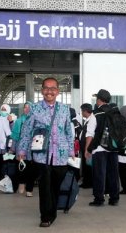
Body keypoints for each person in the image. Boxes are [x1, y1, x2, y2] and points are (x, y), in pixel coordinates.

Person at [17, 77, 74, 228]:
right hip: (41, 155)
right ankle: (45, 216)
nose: (49, 91)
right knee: (45, 187)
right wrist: (22, 149)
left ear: (58, 91)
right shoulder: (34, 109)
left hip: (60, 155)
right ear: (42, 91)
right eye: (46, 88)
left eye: (53, 88)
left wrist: (71, 150)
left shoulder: (64, 109)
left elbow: (69, 130)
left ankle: (52, 211)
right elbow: (26, 131)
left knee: (55, 186)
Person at [85, 89, 120, 206]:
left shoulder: (96, 114)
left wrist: (87, 149)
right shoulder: (115, 112)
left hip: (99, 148)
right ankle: (114, 198)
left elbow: (90, 134)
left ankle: (99, 199)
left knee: (99, 174)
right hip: (113, 148)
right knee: (113, 174)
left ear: (99, 100)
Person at [10, 102, 36, 197]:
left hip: (33, 149)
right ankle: (21, 184)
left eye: (29, 108)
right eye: (25, 107)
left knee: (31, 169)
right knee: (21, 168)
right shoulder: (19, 121)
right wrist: (12, 148)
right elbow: (15, 136)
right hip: (21, 148)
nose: (27, 109)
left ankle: (29, 189)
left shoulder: (36, 120)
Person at [79, 103, 94, 188]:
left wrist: (88, 148)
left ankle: (88, 183)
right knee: (85, 165)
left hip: (88, 147)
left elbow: (90, 135)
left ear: (85, 111)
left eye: (82, 111)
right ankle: (86, 182)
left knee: (88, 166)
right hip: (84, 146)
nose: (81, 113)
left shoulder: (92, 120)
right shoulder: (87, 120)